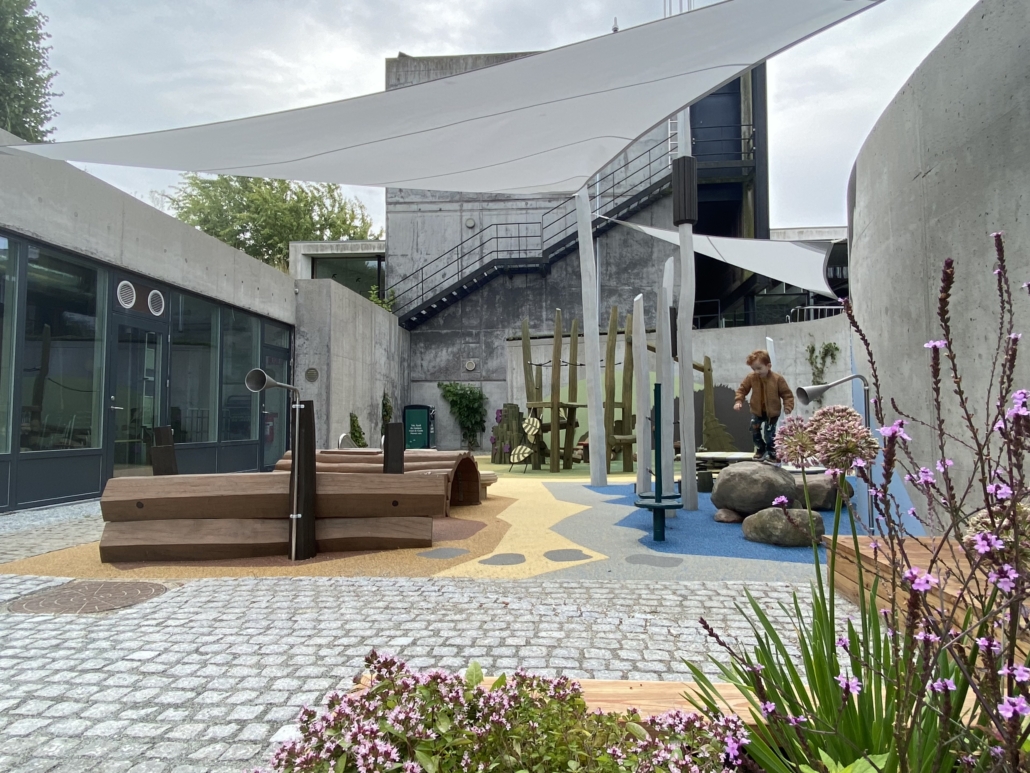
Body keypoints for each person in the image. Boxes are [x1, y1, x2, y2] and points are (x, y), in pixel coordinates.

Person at [733, 349, 794, 462]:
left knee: (769, 435)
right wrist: (738, 401)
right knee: (754, 430)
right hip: (757, 411)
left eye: (759, 368)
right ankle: (761, 449)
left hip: (772, 413)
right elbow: (742, 390)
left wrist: (788, 406)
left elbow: (787, 394)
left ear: (768, 366)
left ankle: (772, 452)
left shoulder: (777, 379)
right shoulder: (751, 377)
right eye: (753, 369)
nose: (756, 371)